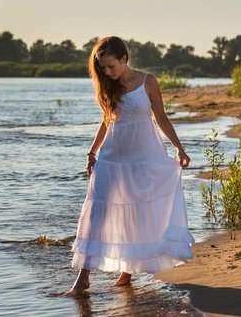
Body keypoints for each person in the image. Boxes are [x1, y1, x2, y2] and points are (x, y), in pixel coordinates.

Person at [66, 36, 195, 295]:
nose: (107, 72)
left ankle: (127, 271)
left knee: (136, 211)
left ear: (125, 59)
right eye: (102, 68)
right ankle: (83, 276)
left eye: (111, 66)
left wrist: (179, 148)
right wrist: (93, 151)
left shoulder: (148, 82)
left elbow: (161, 118)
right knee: (96, 212)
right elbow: (107, 121)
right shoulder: (107, 87)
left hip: (143, 157)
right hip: (112, 158)